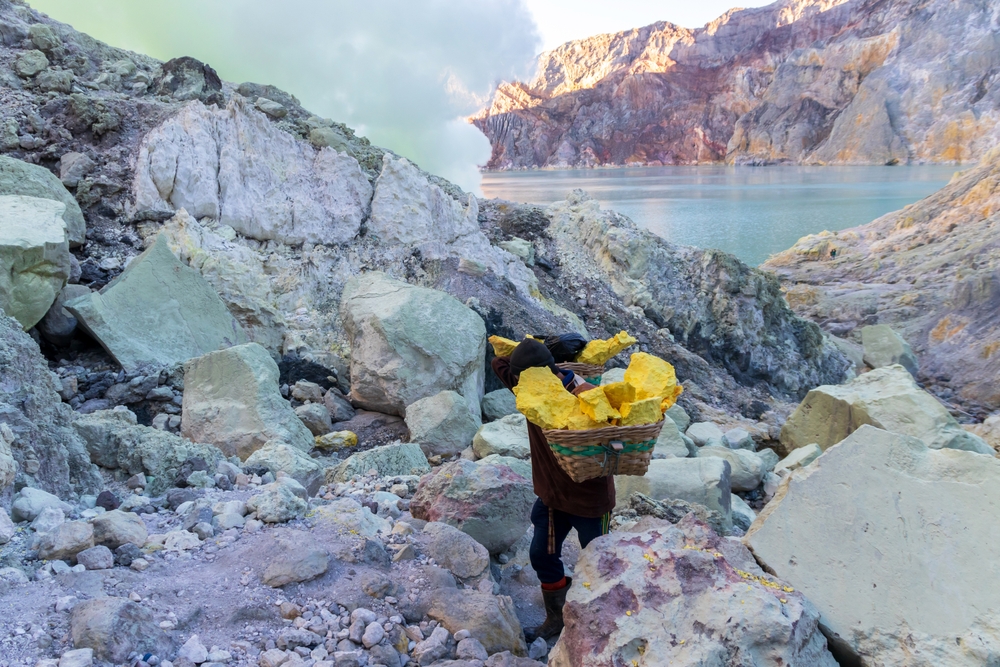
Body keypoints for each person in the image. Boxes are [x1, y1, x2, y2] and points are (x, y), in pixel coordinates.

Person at [491, 338, 615, 642]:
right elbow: (499, 362)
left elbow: (613, 420)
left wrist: (570, 382)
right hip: (553, 498)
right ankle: (557, 618)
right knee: (542, 556)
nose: (526, 385)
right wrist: (545, 350)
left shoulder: (584, 397)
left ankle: (603, 622)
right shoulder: (525, 391)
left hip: (591, 502)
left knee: (600, 564)